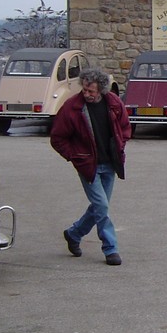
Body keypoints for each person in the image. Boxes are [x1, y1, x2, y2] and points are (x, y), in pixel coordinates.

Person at [50, 68, 132, 266]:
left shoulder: (113, 103)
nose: (86, 94)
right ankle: (110, 249)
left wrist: (120, 145)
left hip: (110, 164)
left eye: (91, 91)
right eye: (85, 90)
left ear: (101, 90)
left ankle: (73, 234)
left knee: (99, 207)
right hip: (88, 165)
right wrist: (75, 156)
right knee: (102, 206)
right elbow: (57, 138)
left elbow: (125, 127)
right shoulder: (72, 108)